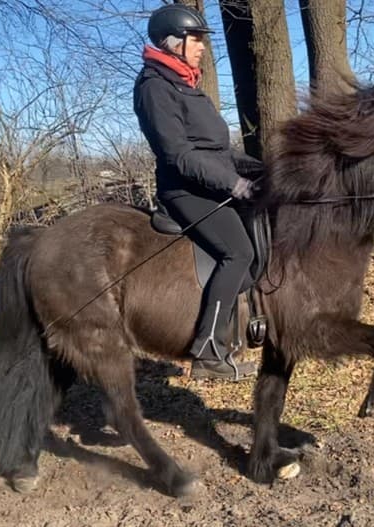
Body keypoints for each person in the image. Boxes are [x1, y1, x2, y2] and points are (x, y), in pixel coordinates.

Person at [133, 4, 261, 381]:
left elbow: (217, 151)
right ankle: (207, 351)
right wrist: (233, 184)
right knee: (238, 252)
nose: (203, 46)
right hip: (185, 191)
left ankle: (237, 330)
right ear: (173, 42)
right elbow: (178, 154)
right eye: (197, 39)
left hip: (208, 181)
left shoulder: (185, 84)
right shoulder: (155, 87)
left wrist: (259, 170)